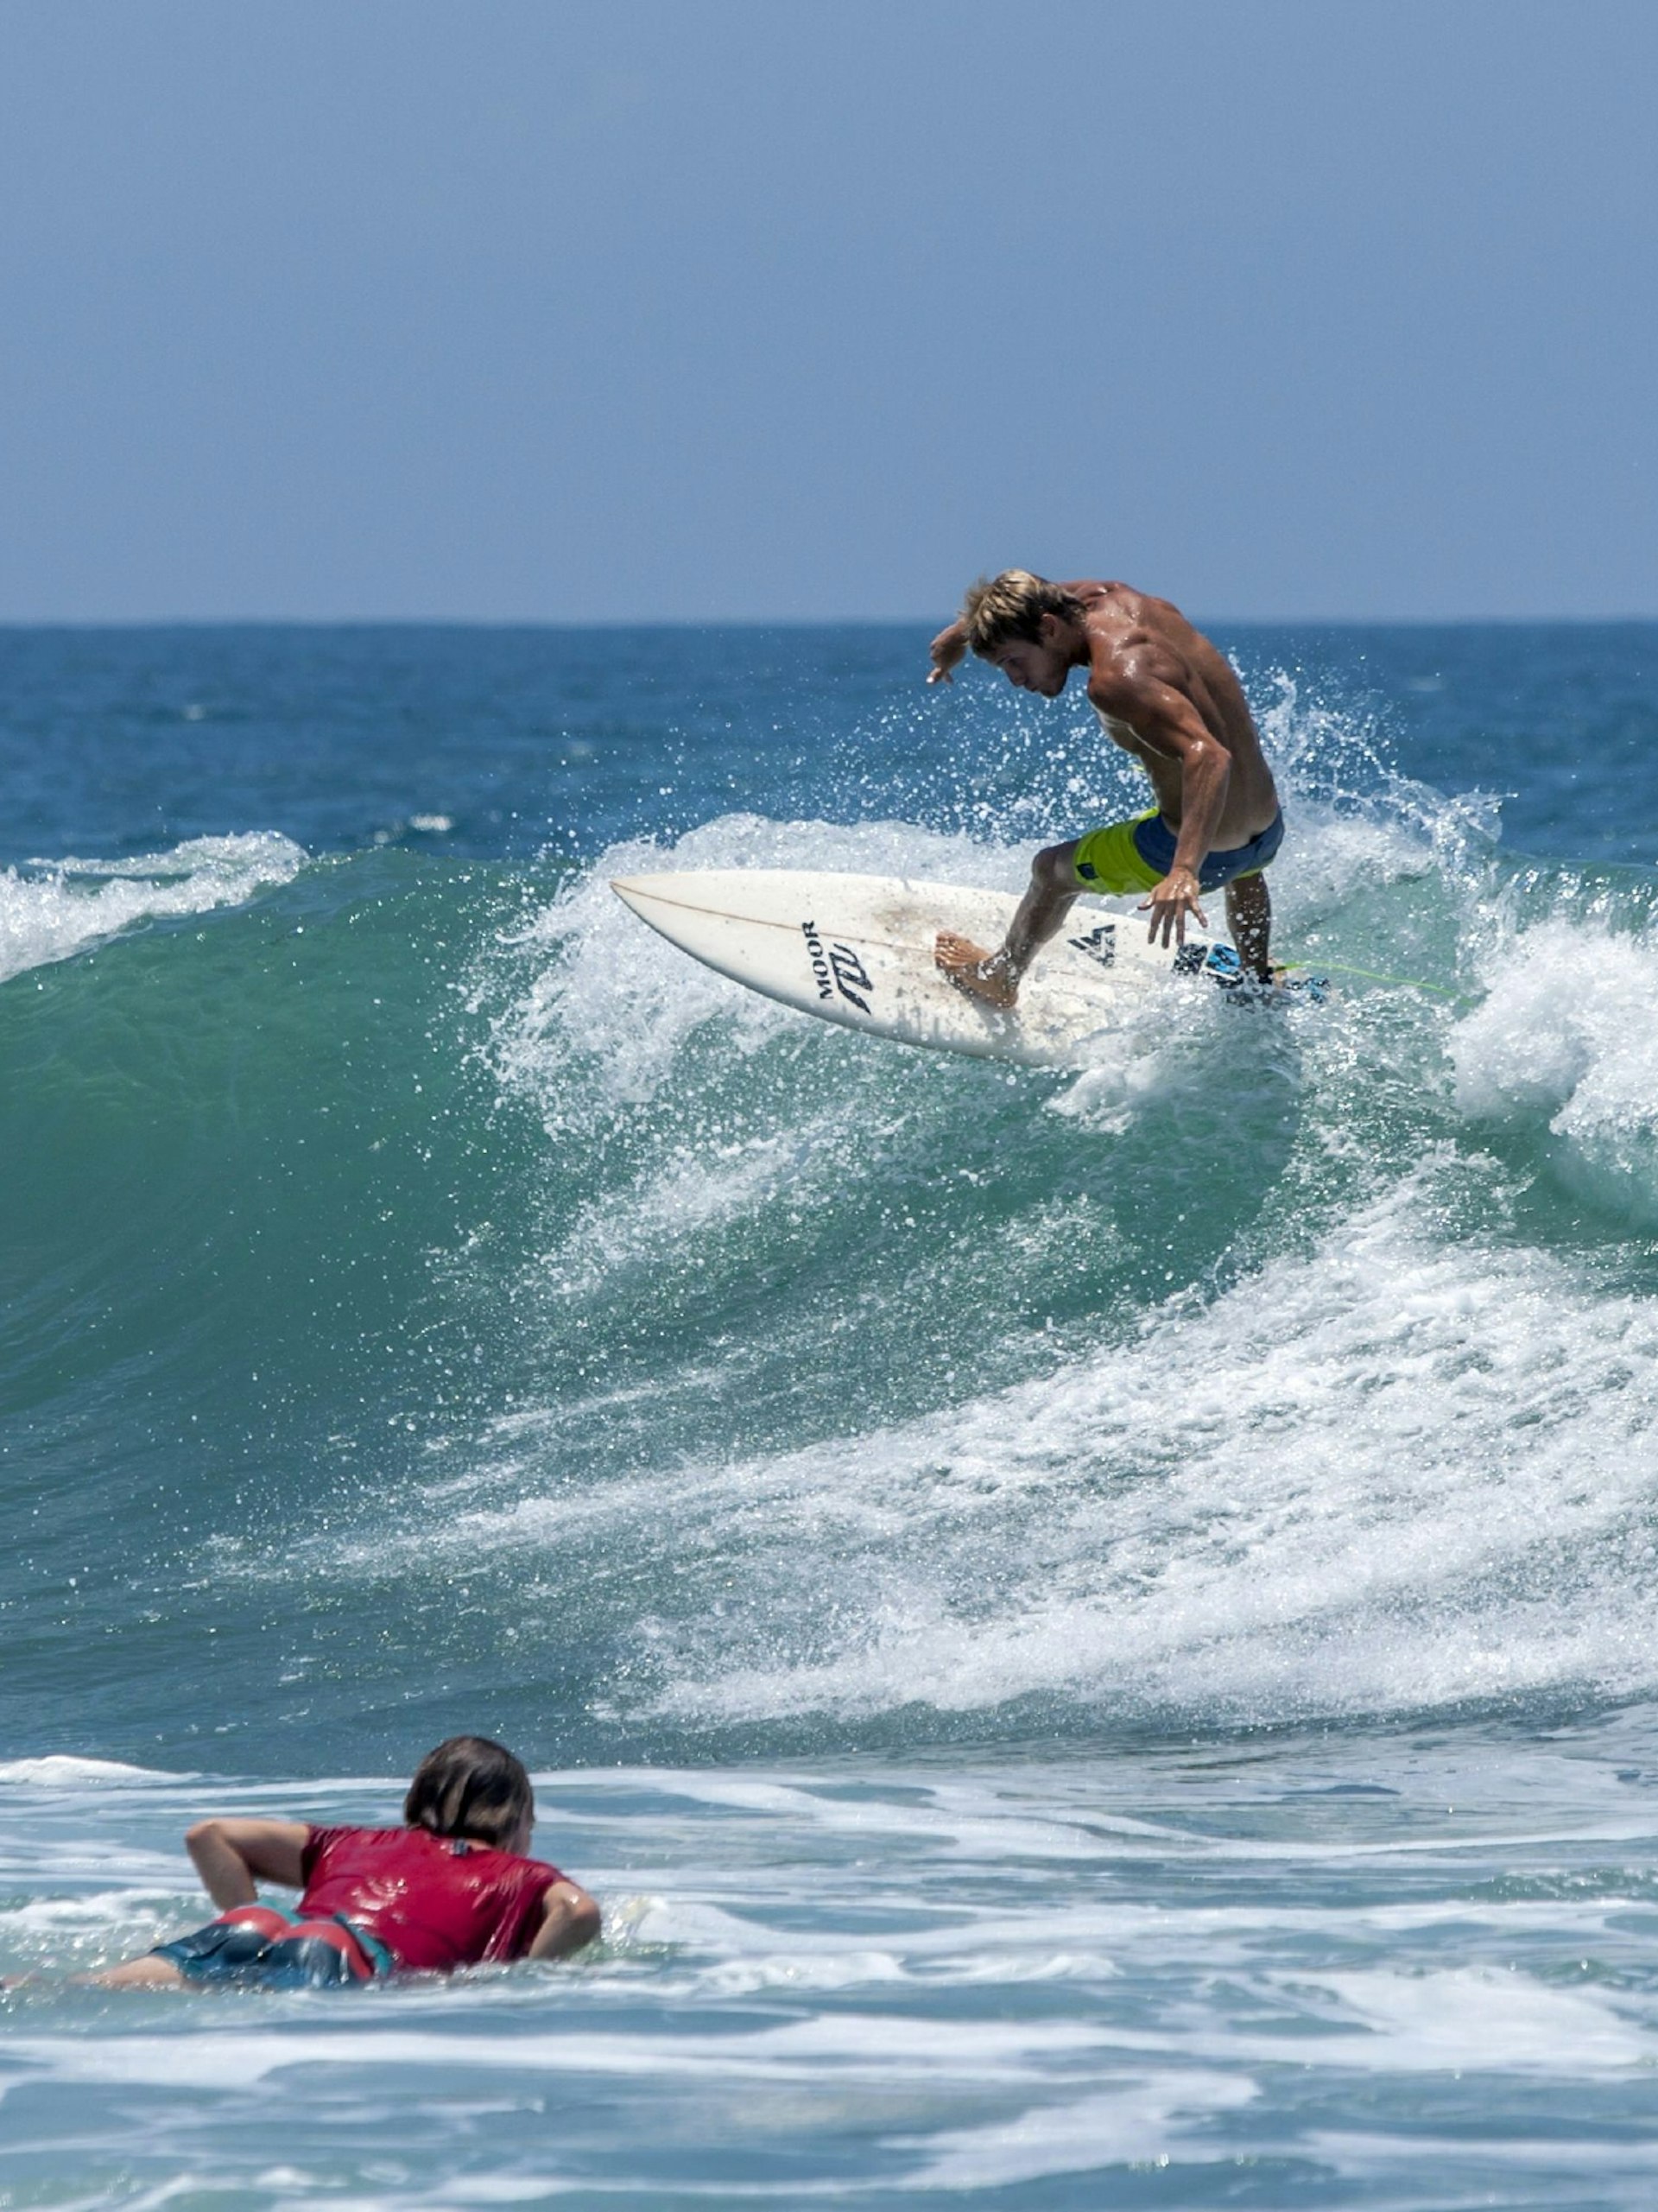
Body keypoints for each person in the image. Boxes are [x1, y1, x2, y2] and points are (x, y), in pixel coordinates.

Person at [926, 572, 1284, 998]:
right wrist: (962, 633)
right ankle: (1256, 975)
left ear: (1050, 629)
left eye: (1013, 661)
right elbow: (1042, 594)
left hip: (1207, 856)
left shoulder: (1114, 682)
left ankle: (1001, 978)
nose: (1016, 680)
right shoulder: (1114, 597)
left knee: (1049, 872)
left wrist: (1184, 871)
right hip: (1266, 833)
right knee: (1242, 867)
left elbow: (1209, 757)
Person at [90, 1734, 600, 1990]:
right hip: (345, 1956)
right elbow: (578, 1912)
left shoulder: (352, 1842)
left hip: (262, 1924)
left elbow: (209, 1834)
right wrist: (524, 1980)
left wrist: (245, 1921)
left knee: (80, 1992)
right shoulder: (521, 1876)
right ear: (514, 1819)